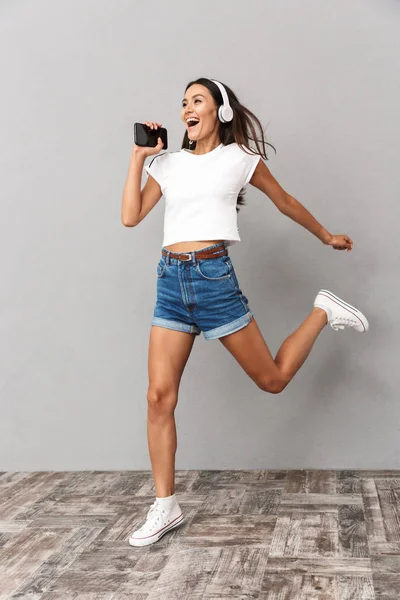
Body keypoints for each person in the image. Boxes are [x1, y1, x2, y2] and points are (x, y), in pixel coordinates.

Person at [121, 77, 369, 547]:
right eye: (183, 104)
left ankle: (321, 310)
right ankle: (165, 506)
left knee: (272, 380)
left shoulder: (240, 160)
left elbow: (284, 201)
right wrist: (138, 160)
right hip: (170, 281)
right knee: (158, 397)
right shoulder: (167, 164)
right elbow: (131, 216)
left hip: (214, 279)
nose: (186, 110)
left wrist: (325, 235)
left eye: (197, 101)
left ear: (221, 111)